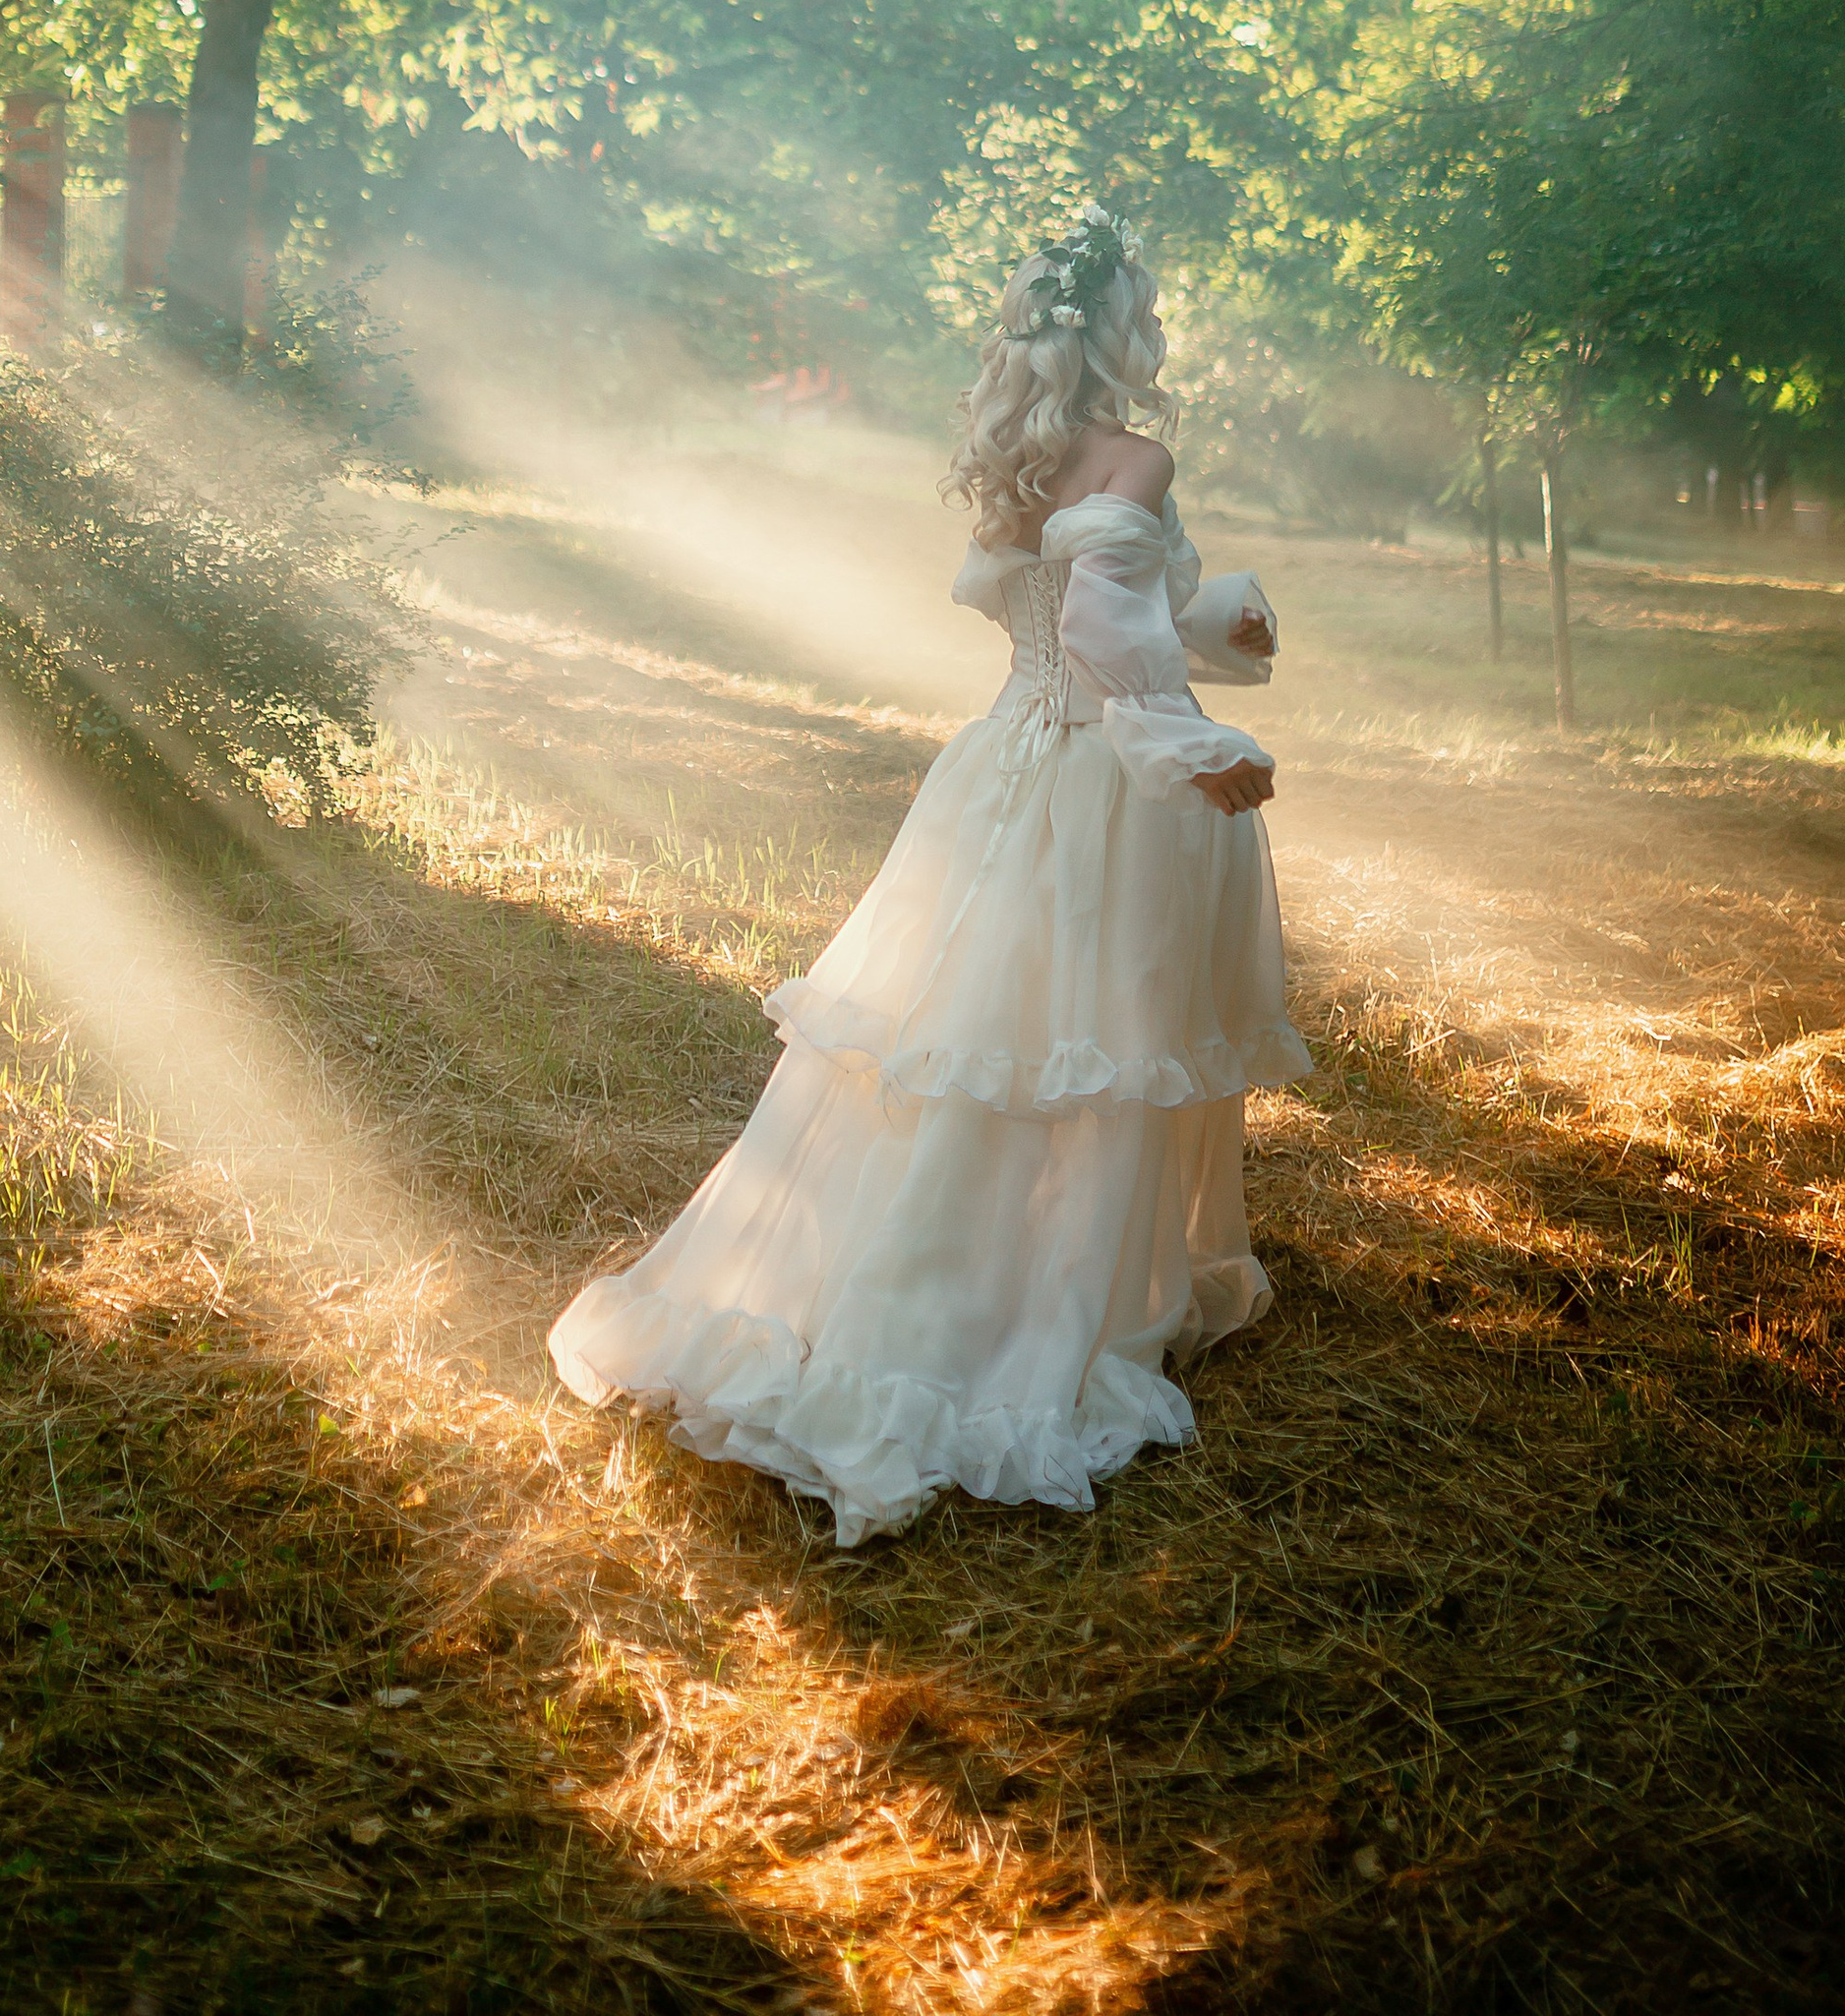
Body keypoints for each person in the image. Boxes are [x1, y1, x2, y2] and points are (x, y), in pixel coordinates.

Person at [549, 209, 1309, 1545]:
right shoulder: (1136, 452)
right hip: (1099, 784)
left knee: (978, 1037)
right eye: (1153, 309)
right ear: (1120, 328)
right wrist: (1191, 744)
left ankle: (931, 1264)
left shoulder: (1020, 459)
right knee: (1095, 1036)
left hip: (999, 766)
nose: (1163, 329)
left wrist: (1211, 620)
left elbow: (1080, 605)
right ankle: (1029, 1307)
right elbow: (1097, 624)